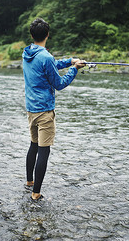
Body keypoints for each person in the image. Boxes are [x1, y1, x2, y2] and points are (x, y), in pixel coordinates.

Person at [22, 18, 85, 200]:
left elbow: (49, 66)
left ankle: (29, 182)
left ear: (32, 35)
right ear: (48, 35)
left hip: (31, 110)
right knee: (44, 150)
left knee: (33, 145)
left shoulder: (27, 53)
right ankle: (36, 194)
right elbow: (59, 83)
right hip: (45, 112)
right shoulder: (46, 57)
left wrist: (69, 61)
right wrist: (74, 69)